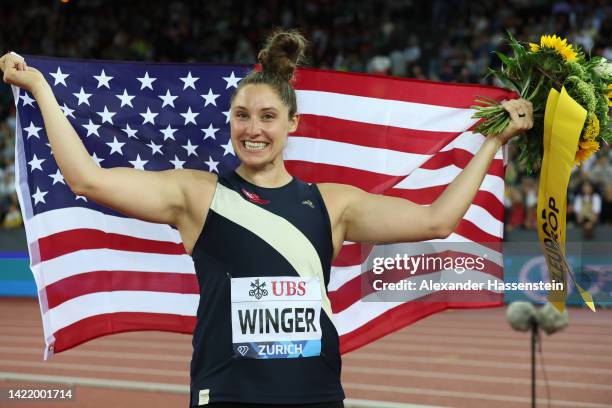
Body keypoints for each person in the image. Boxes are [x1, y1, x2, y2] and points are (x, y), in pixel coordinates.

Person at [0, 30, 533, 407]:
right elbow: (86, 179)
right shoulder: (196, 194)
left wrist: (492, 141)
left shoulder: (333, 204)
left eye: (267, 116)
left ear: (292, 123)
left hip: (315, 395)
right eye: (241, 116)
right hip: (227, 395)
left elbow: (437, 220)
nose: (252, 129)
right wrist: (41, 88)